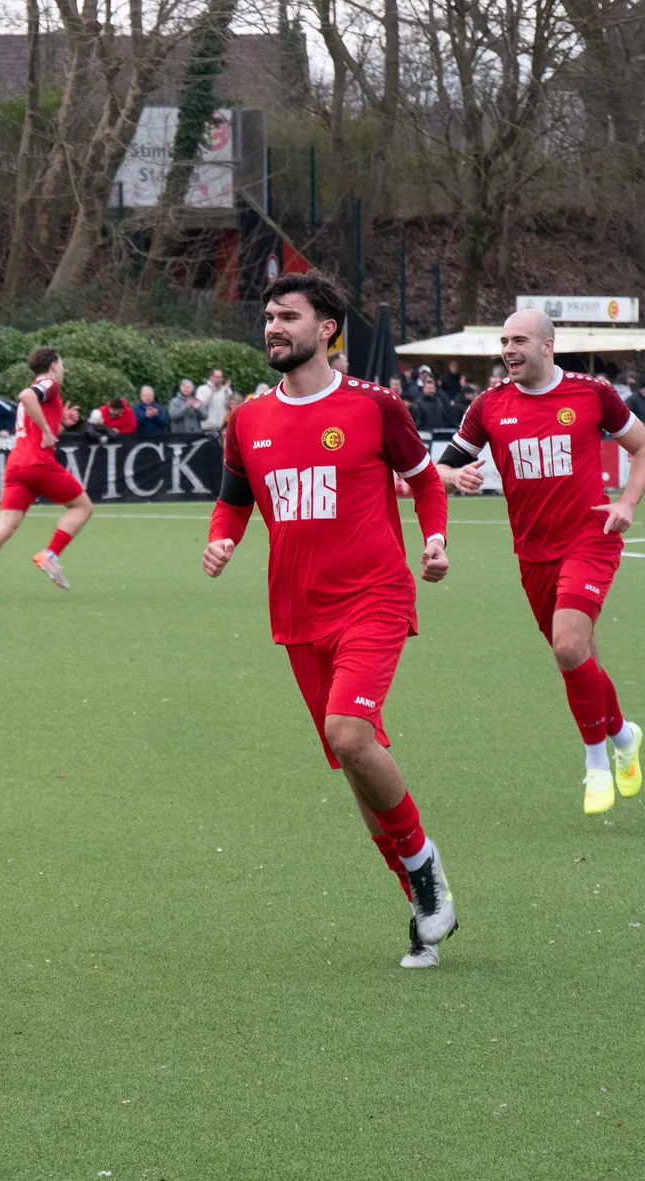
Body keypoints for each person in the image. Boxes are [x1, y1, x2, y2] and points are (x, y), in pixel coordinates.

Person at [203, 270, 456, 969]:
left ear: (327, 329)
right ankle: (422, 902)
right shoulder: (245, 421)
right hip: (296, 612)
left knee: (348, 733)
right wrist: (222, 538)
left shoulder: (376, 406)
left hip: (375, 596)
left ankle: (425, 867)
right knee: (355, 761)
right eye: (268, 317)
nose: (273, 327)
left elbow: (426, 482)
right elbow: (234, 500)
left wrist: (436, 539)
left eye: (288, 316)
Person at [438, 309, 645, 815]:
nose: (508, 350)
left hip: (590, 537)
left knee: (567, 646)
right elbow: (442, 468)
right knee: (580, 658)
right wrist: (454, 477)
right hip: (533, 553)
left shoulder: (591, 393)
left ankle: (596, 764)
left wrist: (626, 503)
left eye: (519, 340)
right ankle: (624, 735)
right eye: (503, 341)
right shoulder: (488, 405)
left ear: (547, 345)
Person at [0, 347, 90, 602]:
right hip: (37, 462)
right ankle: (51, 555)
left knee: (5, 525)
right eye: (62, 364)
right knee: (82, 507)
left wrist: (60, 424)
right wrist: (47, 431)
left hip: (17, 464)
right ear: (53, 365)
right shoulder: (49, 384)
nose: (63, 369)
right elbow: (26, 396)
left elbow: (36, 423)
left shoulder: (44, 394)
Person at [197, 369, 234, 433]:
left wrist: (226, 392)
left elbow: (230, 406)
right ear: (211, 377)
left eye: (221, 377)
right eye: (217, 377)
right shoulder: (202, 389)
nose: (219, 379)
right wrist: (212, 392)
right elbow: (201, 406)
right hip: (207, 427)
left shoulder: (225, 390)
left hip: (222, 427)